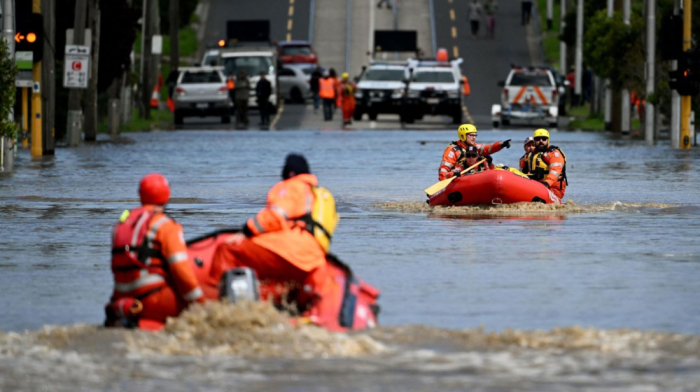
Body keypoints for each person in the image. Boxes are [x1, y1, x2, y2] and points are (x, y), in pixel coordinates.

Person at [211, 154, 338, 306]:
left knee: (227, 249)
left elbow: (275, 216)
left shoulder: (292, 186)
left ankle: (213, 301)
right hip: (313, 259)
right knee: (276, 282)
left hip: (290, 251)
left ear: (290, 172)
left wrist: (246, 231)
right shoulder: (320, 195)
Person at [106, 173, 204, 329]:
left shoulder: (121, 224)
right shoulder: (165, 225)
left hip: (120, 302)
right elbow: (181, 269)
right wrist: (200, 303)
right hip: (153, 300)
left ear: (140, 194)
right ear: (167, 195)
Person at [438, 124, 511, 180]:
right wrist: (444, 180)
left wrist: (501, 145)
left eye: (475, 135)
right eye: (471, 135)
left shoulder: (475, 147)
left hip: (475, 176)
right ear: (463, 135)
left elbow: (488, 149)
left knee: (499, 167)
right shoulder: (452, 150)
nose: (474, 137)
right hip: (458, 177)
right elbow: (444, 168)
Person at [526, 129, 567, 200]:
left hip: (553, 188)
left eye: (544, 139)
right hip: (538, 185)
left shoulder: (554, 153)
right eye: (538, 139)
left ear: (548, 140)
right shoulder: (531, 155)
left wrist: (546, 183)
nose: (541, 141)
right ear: (534, 141)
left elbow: (555, 171)